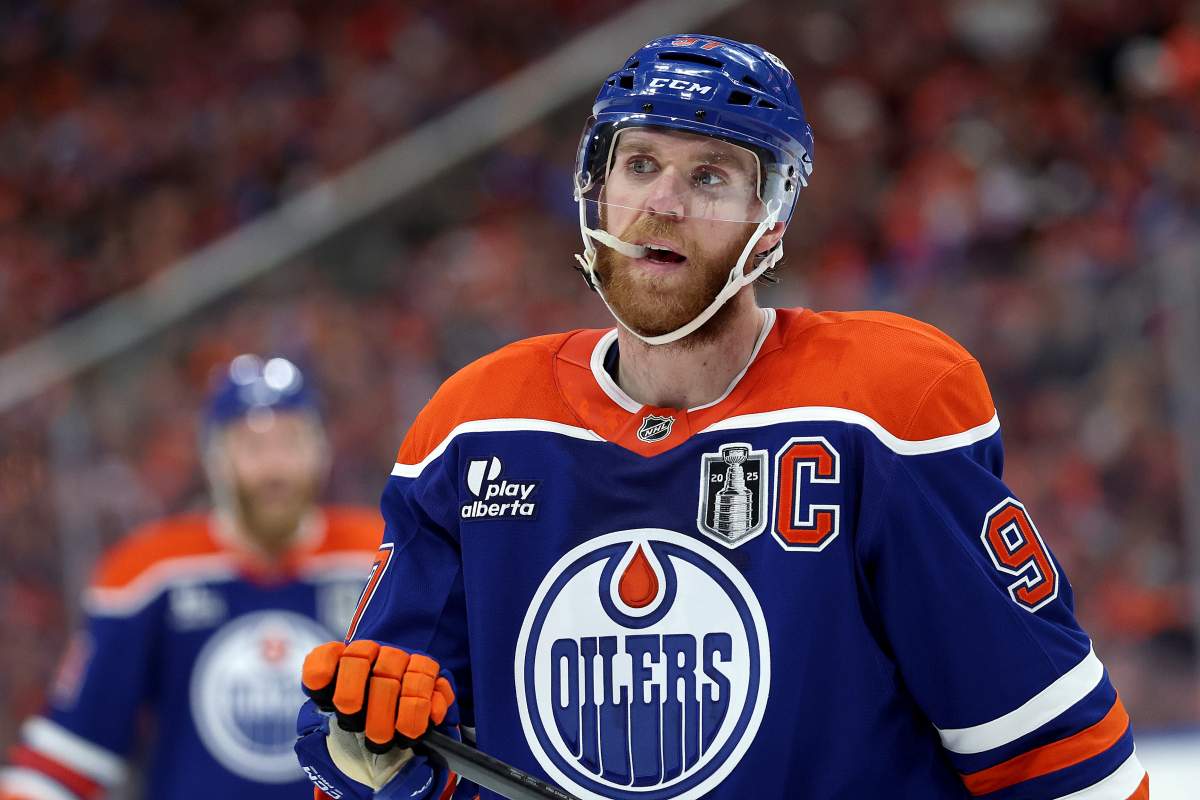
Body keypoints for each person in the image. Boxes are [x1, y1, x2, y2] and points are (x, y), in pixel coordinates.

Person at [294, 35, 1149, 800]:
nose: (663, 203)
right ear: (596, 186)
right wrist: (366, 752)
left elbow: (1057, 758)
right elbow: (386, 751)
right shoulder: (474, 427)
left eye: (709, 176)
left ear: (771, 218)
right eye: (639, 164)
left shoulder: (884, 407)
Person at [0, 355, 381, 800]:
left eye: (291, 441)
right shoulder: (150, 573)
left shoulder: (379, 560)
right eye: (253, 447)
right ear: (215, 459)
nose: (274, 467)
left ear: (322, 451)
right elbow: (73, 749)